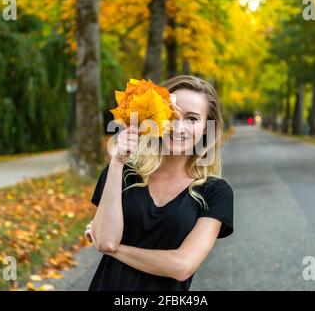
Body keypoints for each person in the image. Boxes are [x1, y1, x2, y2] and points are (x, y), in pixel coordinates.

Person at [85, 75, 234, 291]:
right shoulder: (124, 173)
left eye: (192, 118)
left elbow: (182, 266)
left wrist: (114, 249)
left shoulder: (215, 192)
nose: (178, 127)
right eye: (172, 115)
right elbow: (107, 240)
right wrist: (117, 161)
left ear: (206, 128)